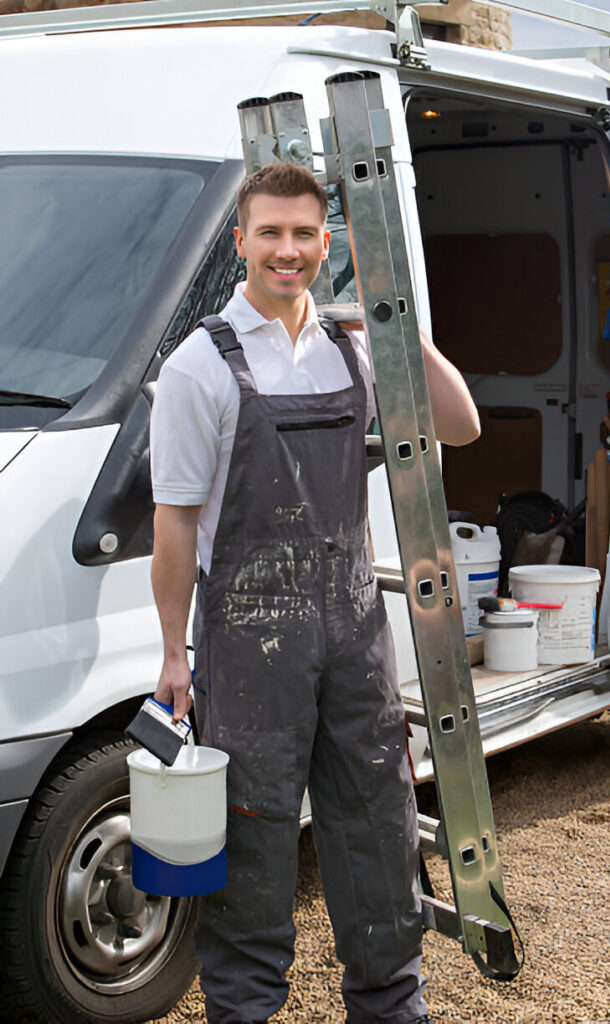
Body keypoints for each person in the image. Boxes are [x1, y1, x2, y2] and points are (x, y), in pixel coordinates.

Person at [150, 162, 480, 1024]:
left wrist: (389, 307)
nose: (286, 251)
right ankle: (245, 1009)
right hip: (250, 644)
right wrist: (169, 652)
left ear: (325, 245)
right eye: (270, 233)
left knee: (376, 826)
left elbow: (460, 423)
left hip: (352, 635)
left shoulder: (351, 346)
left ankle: (390, 1004)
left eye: (303, 235)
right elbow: (175, 527)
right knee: (254, 843)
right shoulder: (198, 367)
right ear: (241, 243)